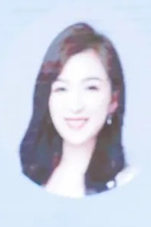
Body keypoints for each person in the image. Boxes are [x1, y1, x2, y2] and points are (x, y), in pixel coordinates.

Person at [20, 22, 136, 198]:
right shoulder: (29, 176)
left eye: (91, 88)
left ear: (114, 99)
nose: (75, 106)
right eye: (62, 89)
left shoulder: (126, 182)